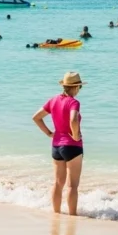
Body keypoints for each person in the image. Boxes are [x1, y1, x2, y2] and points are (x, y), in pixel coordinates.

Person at [32, 72, 85, 216]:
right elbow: (73, 120)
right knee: (72, 186)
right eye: (80, 86)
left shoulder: (53, 100)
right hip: (72, 147)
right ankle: (72, 216)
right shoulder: (74, 102)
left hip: (56, 147)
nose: (80, 89)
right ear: (75, 87)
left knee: (58, 183)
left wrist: (49, 133)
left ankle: (56, 214)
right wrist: (75, 136)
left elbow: (36, 117)